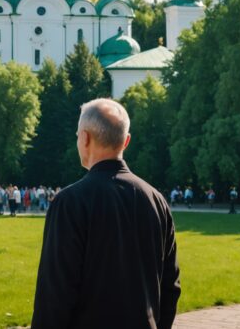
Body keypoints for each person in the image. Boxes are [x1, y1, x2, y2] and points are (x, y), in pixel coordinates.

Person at [32, 99, 179, 328]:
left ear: (85, 138)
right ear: (126, 141)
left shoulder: (70, 202)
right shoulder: (156, 201)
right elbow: (170, 288)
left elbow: (54, 296)